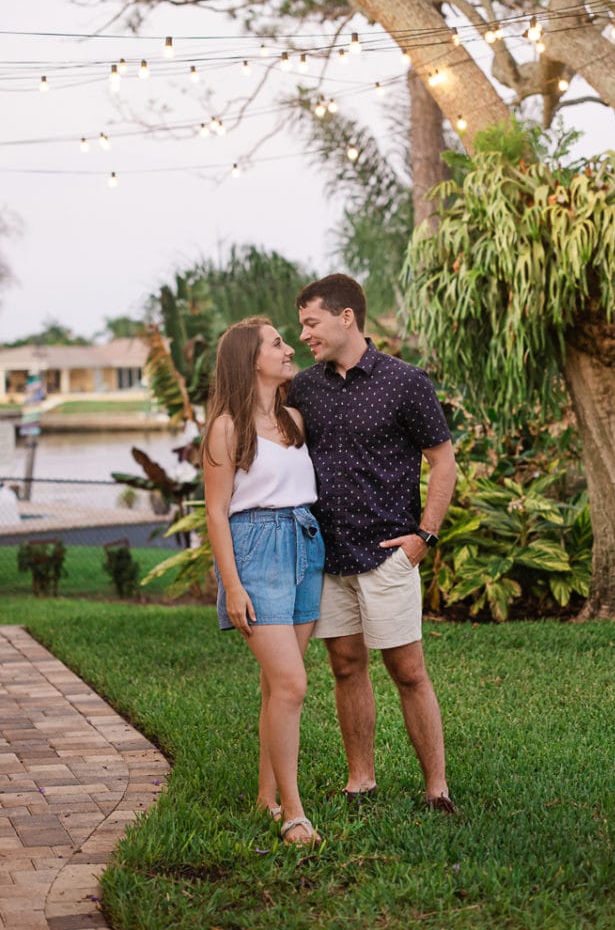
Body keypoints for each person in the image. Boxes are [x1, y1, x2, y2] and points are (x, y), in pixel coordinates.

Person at [288, 274, 458, 812]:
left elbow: (443, 461)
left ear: (346, 318)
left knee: (408, 671)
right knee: (345, 666)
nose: (304, 336)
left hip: (388, 554)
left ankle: (437, 789)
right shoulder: (305, 388)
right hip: (329, 557)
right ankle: (361, 779)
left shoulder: (406, 382)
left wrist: (424, 537)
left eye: (310, 323)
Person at [203, 317, 325, 845]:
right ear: (250, 359)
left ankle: (266, 799)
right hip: (257, 550)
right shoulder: (227, 427)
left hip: (306, 543)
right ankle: (294, 814)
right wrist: (232, 585)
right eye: (277, 342)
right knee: (293, 683)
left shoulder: (293, 418)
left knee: (278, 686)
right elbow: (215, 511)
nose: (288, 347)